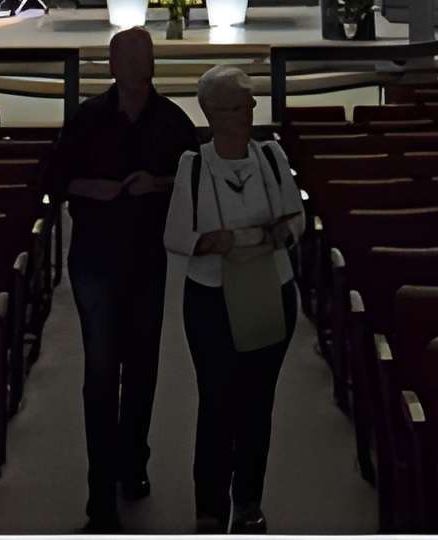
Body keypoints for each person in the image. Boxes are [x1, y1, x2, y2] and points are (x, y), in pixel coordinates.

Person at [50, 25, 195, 530]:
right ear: (113, 66)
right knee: (99, 372)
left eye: (147, 55)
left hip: (147, 262)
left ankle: (133, 459)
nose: (142, 64)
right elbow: (56, 179)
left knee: (141, 369)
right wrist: (98, 189)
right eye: (132, 56)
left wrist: (155, 182)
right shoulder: (88, 120)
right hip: (95, 259)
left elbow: (193, 186)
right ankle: (100, 493)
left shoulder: (174, 123)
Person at [164, 66, 306, 535]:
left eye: (249, 102)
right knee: (217, 401)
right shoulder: (195, 165)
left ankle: (247, 501)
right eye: (238, 105)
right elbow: (176, 236)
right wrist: (213, 242)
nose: (249, 111)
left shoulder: (270, 155)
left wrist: (280, 232)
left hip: (270, 288)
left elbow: (297, 216)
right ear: (213, 113)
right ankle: (210, 506)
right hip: (212, 298)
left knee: (257, 402)